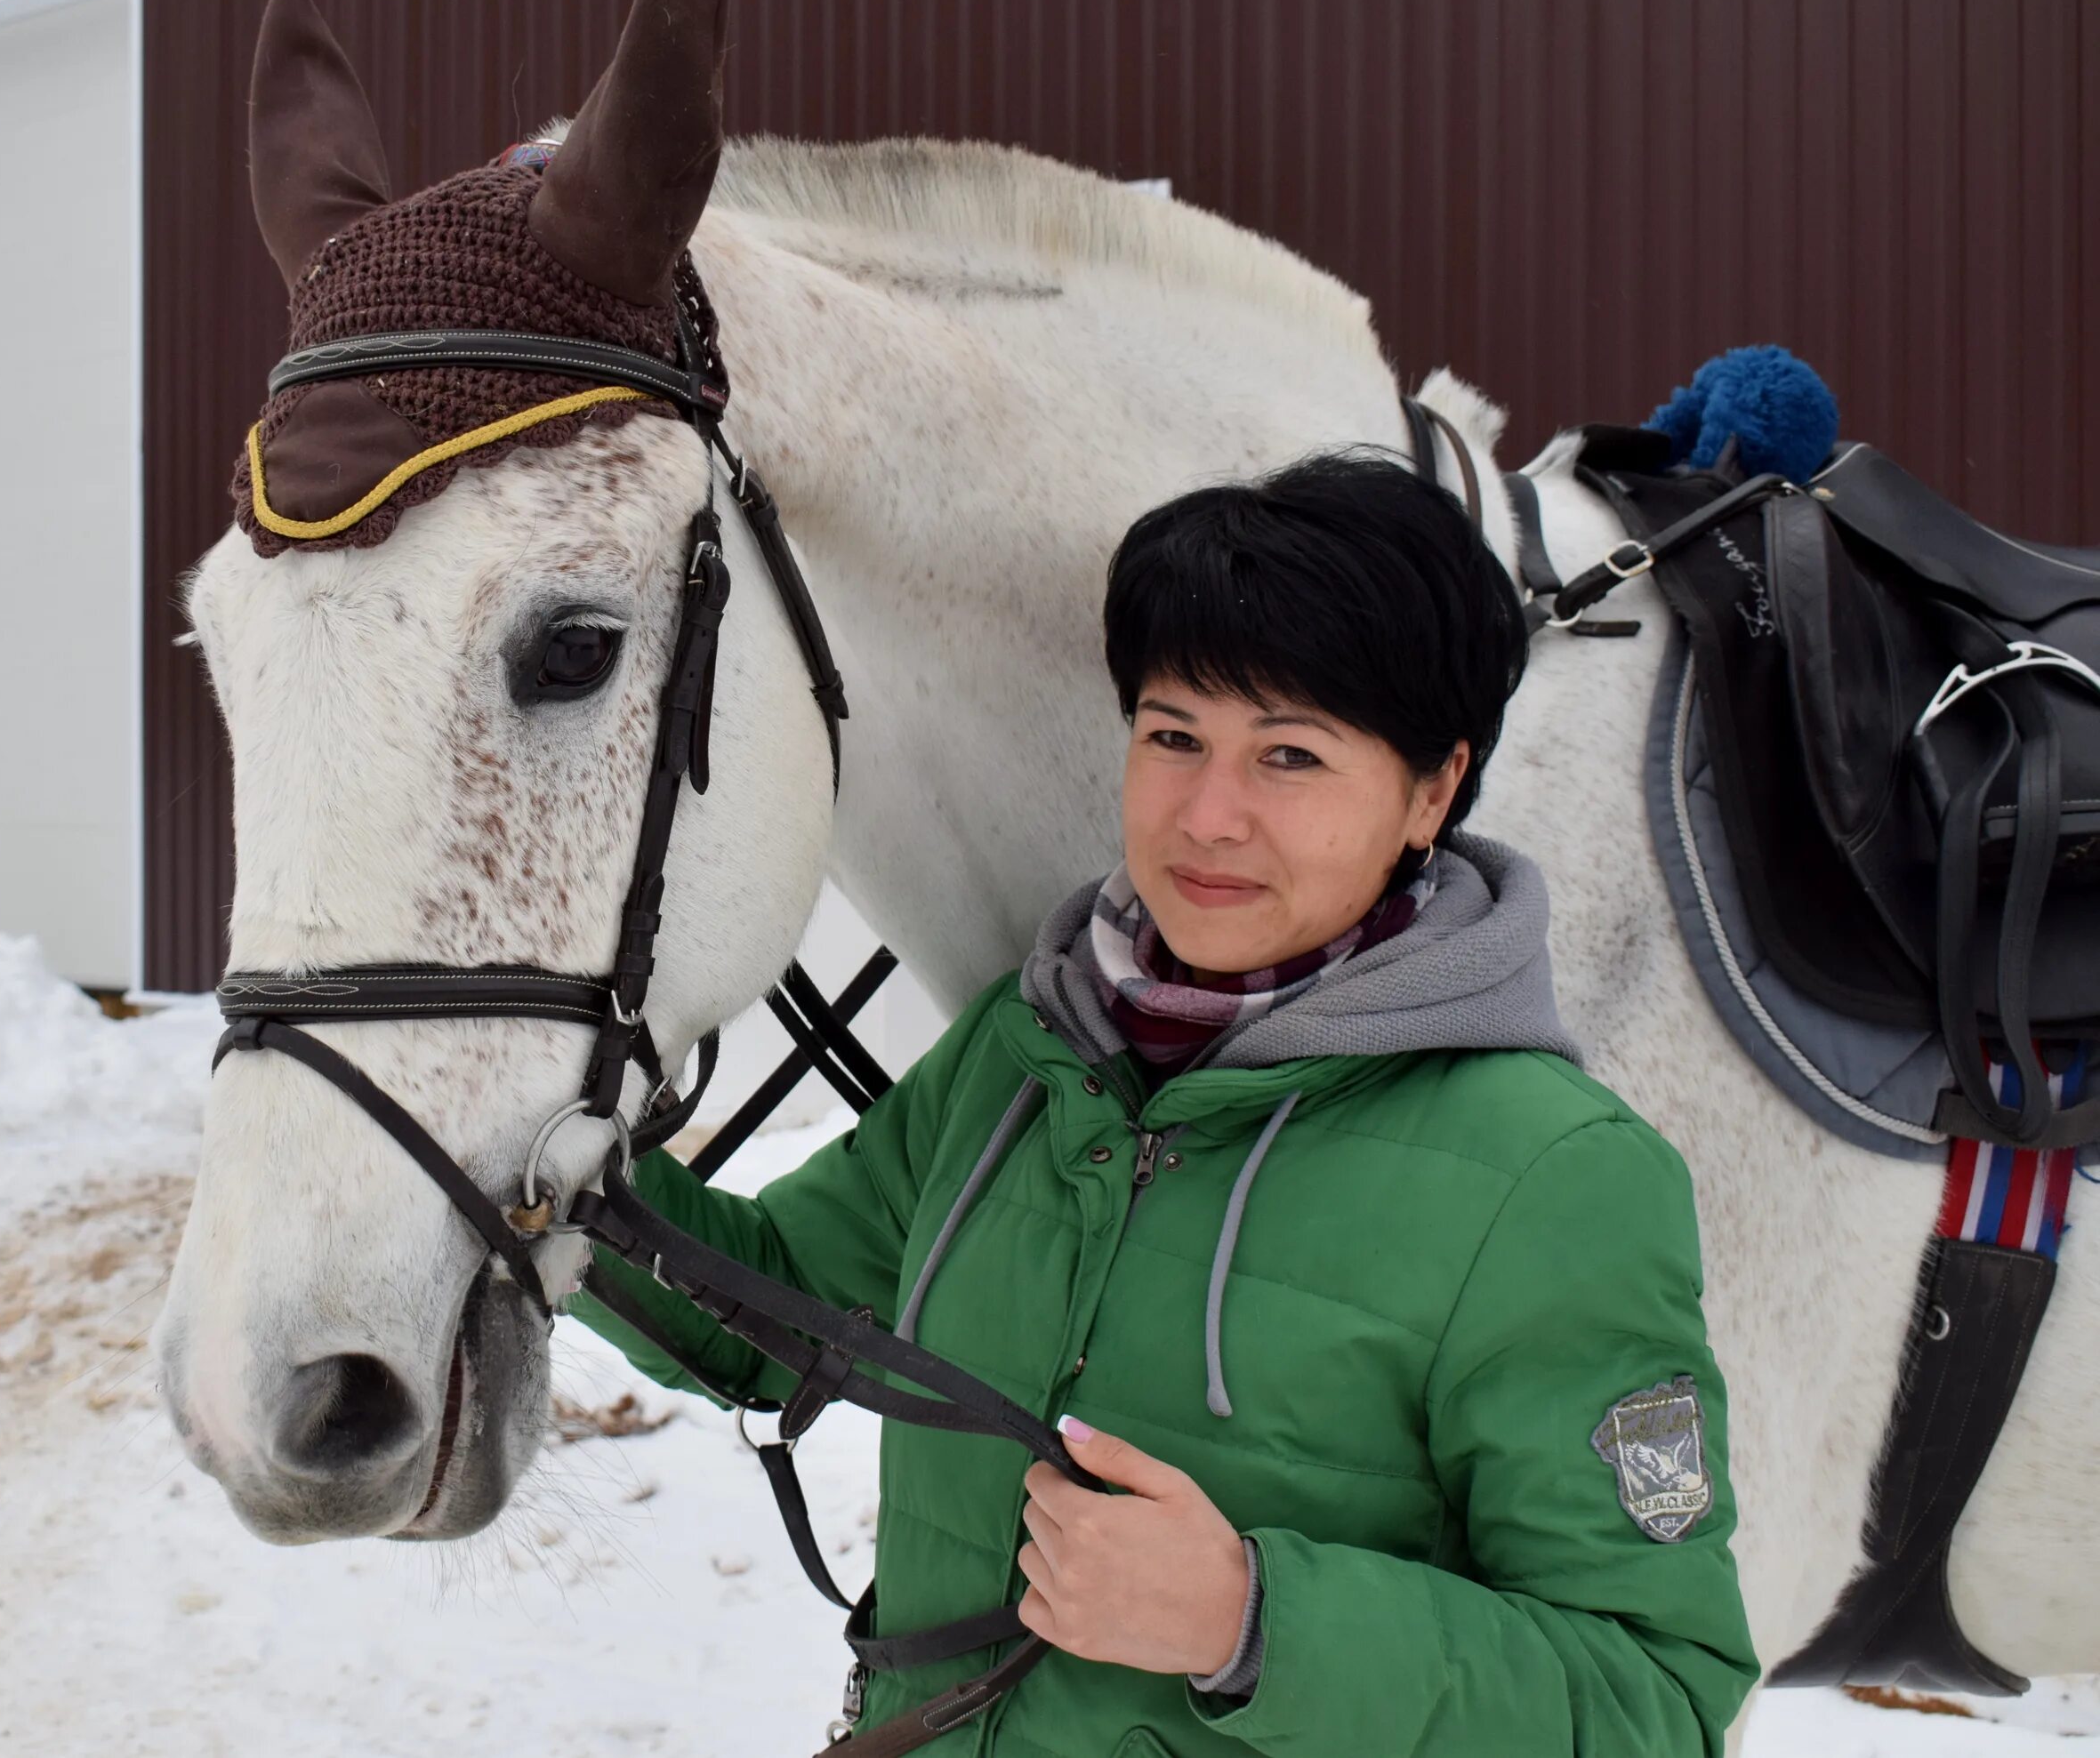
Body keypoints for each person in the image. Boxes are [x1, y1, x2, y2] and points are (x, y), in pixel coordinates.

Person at [575, 451, 1758, 1755]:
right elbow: (782, 1314)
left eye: (1291, 757)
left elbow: (1659, 1704)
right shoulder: (1029, 1056)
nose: (1208, 816)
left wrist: (1253, 1625)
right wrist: (553, 1205)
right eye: (1173, 736)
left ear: (1432, 791)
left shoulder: (1553, 1178)